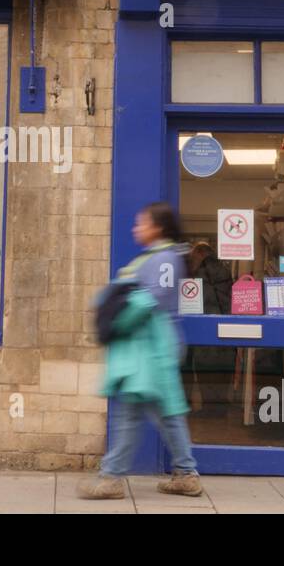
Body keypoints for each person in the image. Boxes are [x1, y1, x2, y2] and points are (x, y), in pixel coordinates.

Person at [79, 201, 203, 500]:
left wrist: (117, 320)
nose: (137, 228)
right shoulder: (159, 257)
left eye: (142, 223)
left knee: (137, 413)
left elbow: (153, 299)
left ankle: (112, 478)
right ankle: (185, 474)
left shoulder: (164, 259)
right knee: (160, 413)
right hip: (149, 347)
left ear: (157, 227)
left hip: (152, 349)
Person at [188, 240, 232, 314]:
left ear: (200, 254)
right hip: (224, 313)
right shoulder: (224, 269)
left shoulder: (201, 272)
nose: (193, 260)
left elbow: (205, 297)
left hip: (206, 314)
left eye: (194, 257)